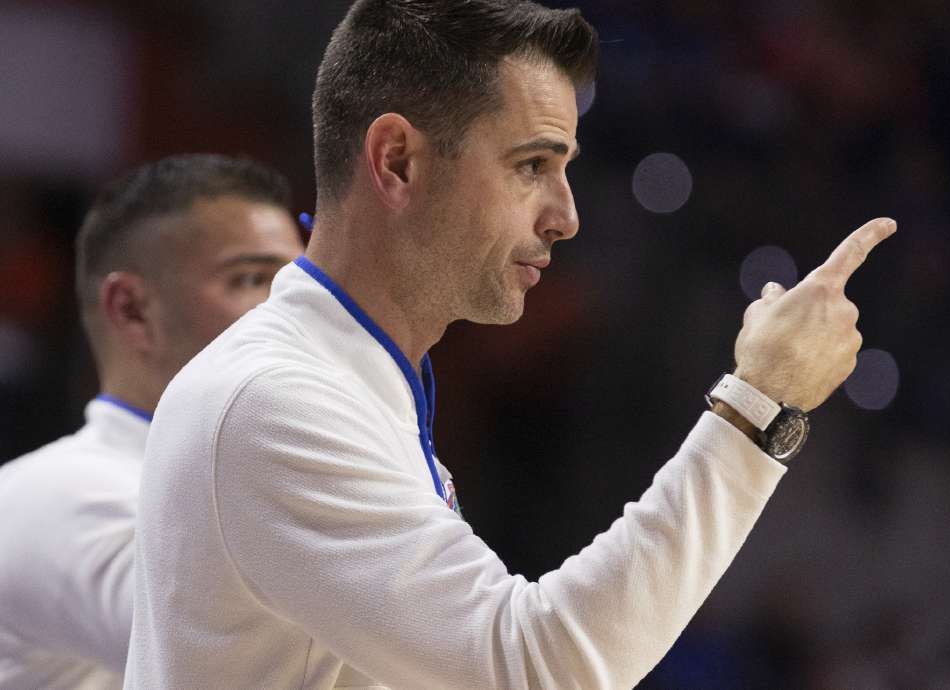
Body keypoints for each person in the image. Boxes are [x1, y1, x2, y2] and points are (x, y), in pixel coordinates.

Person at [124, 2, 896, 689]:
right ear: (397, 161)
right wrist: (759, 406)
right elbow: (535, 670)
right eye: (532, 165)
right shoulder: (276, 401)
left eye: (564, 170)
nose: (565, 215)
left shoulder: (344, 383)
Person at [0, 154, 305, 690]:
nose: (297, 312)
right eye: (253, 278)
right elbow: (252, 673)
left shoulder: (254, 483)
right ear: (133, 309)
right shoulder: (61, 493)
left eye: (297, 286)